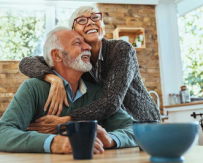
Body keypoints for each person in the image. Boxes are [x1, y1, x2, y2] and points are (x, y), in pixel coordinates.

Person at [0, 27, 137, 154]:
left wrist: (111, 139)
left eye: (85, 43)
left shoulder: (97, 93)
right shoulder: (33, 88)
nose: (88, 47)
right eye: (78, 43)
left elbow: (135, 129)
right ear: (57, 55)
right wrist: (55, 142)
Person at [18, 6, 161, 128]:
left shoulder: (121, 49)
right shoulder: (76, 60)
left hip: (142, 122)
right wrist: (54, 79)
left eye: (95, 18)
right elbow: (26, 62)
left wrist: (67, 120)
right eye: (81, 20)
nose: (90, 23)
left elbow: (111, 101)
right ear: (73, 31)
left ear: (102, 26)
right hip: (112, 126)